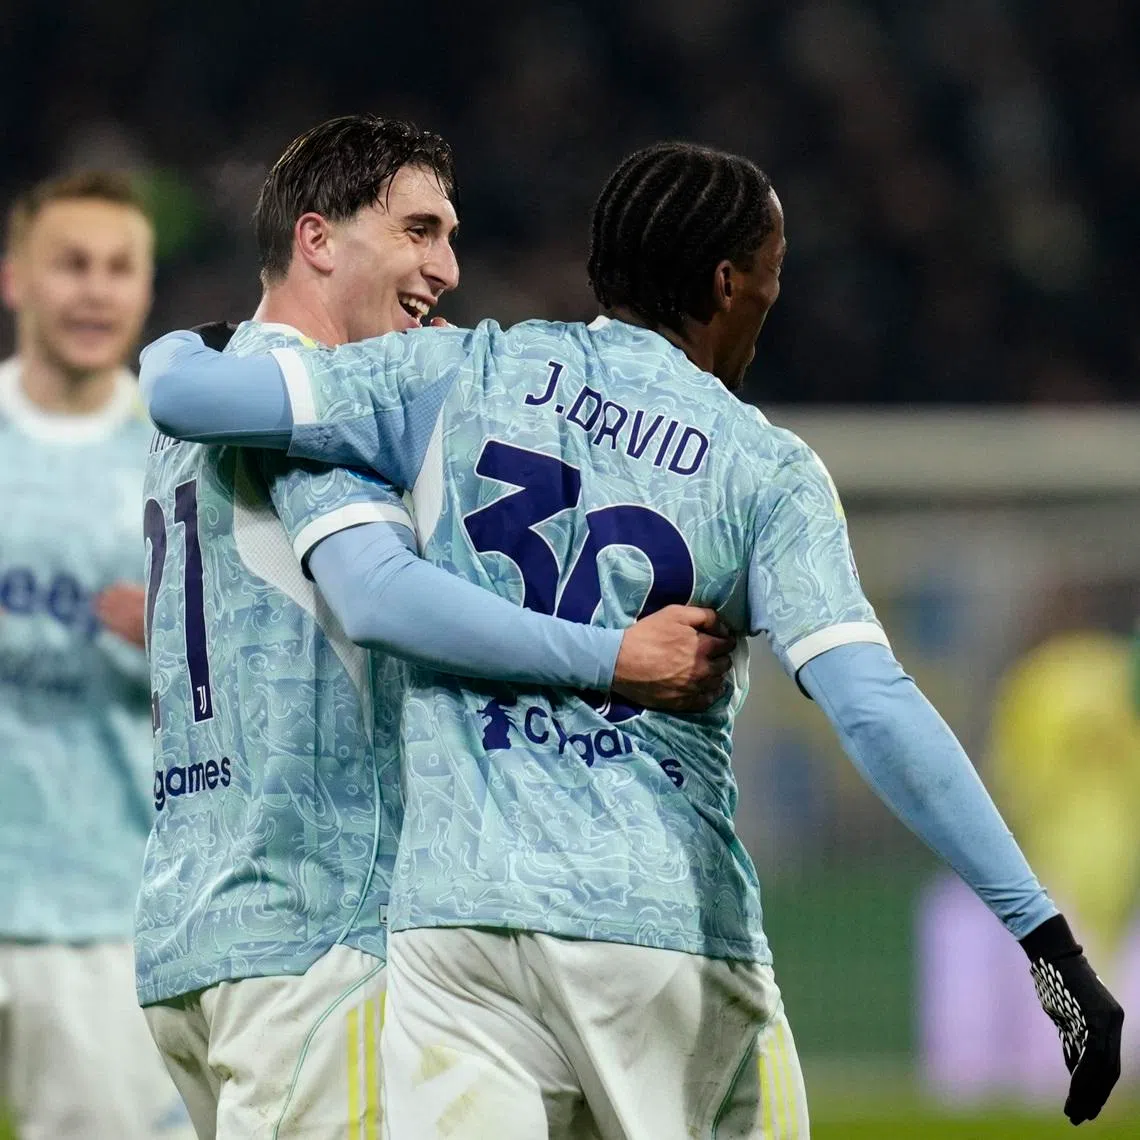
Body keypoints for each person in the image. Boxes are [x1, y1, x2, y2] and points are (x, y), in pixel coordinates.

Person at [139, 141, 1124, 1137]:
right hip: (660, 922)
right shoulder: (766, 469)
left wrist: (180, 344)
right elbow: (870, 704)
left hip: (461, 930)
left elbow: (188, 396)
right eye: (772, 278)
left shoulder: (459, 370)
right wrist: (1043, 935)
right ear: (730, 284)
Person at [137, 116, 730, 1140]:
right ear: (318, 239)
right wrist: (614, 658)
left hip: (195, 928)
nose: (447, 269)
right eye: (418, 231)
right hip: (323, 934)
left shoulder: (207, 393)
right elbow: (381, 597)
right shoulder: (318, 409)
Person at [0, 172, 191, 1138]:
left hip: (103, 903)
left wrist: (184, 640)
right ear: (15, 279)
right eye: (71, 264)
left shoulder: (180, 457)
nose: (96, 291)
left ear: (146, 290)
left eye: (120, 269)